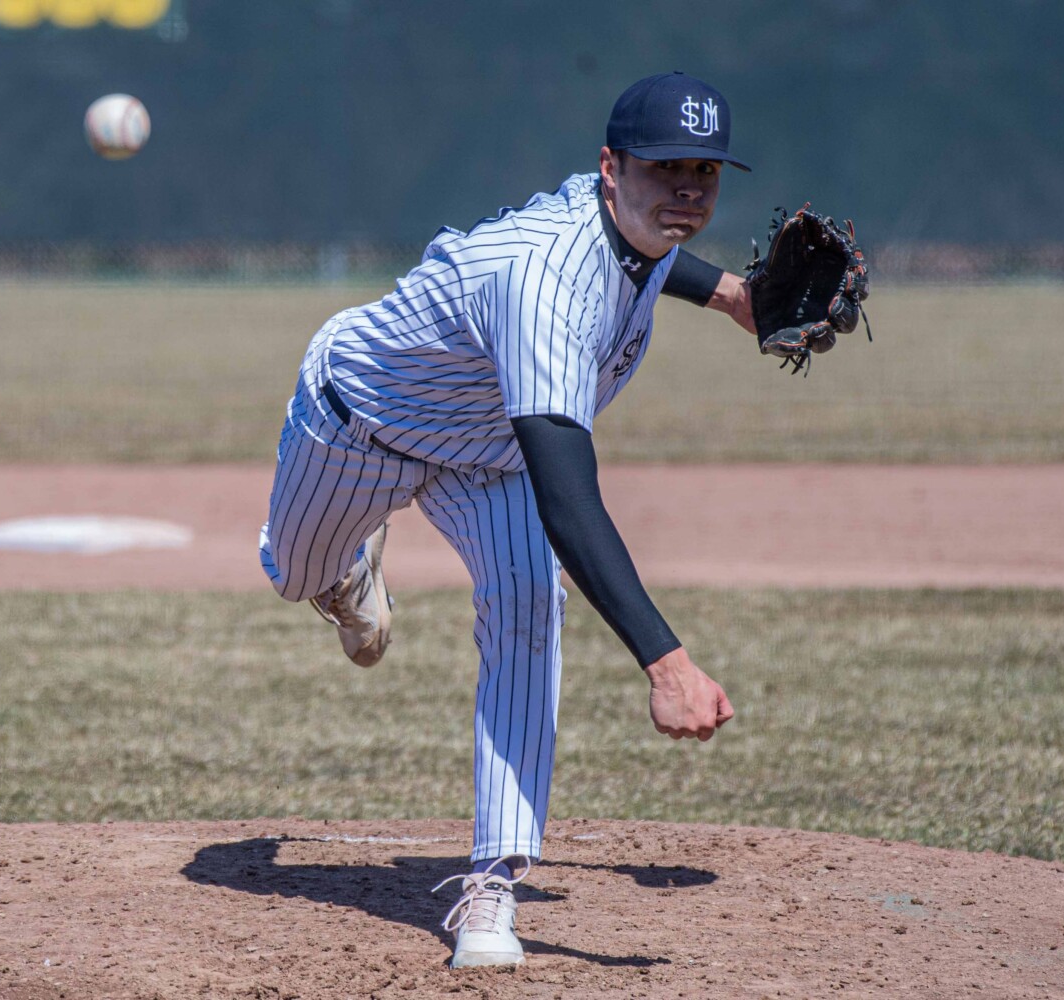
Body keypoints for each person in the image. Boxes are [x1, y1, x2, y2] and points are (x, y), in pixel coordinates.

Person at [259, 71, 751, 968]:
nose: (686, 190)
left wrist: (732, 295)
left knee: (530, 604)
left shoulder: (630, 226)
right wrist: (666, 663)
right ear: (610, 167)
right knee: (291, 574)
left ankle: (492, 881)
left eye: (705, 174)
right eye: (664, 168)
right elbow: (569, 497)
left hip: (487, 453)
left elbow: (654, 250)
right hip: (360, 419)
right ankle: (345, 565)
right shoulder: (544, 281)